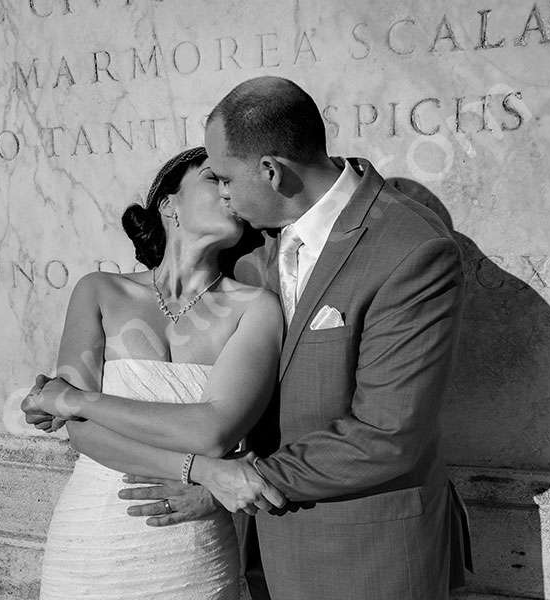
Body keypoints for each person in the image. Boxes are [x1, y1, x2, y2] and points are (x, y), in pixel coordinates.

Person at [120, 76, 473, 599]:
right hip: (253, 555)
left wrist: (233, 484)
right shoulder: (250, 246)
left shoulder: (412, 249)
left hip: (365, 557)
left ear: (271, 171)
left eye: (224, 177)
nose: (222, 193)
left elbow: (387, 433)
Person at [21, 146, 285, 600]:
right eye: (213, 178)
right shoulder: (99, 290)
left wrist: (76, 400)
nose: (229, 192)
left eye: (233, 183)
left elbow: (213, 432)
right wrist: (203, 472)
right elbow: (83, 437)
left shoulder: (256, 308)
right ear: (168, 205)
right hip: (92, 537)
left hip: (191, 550)